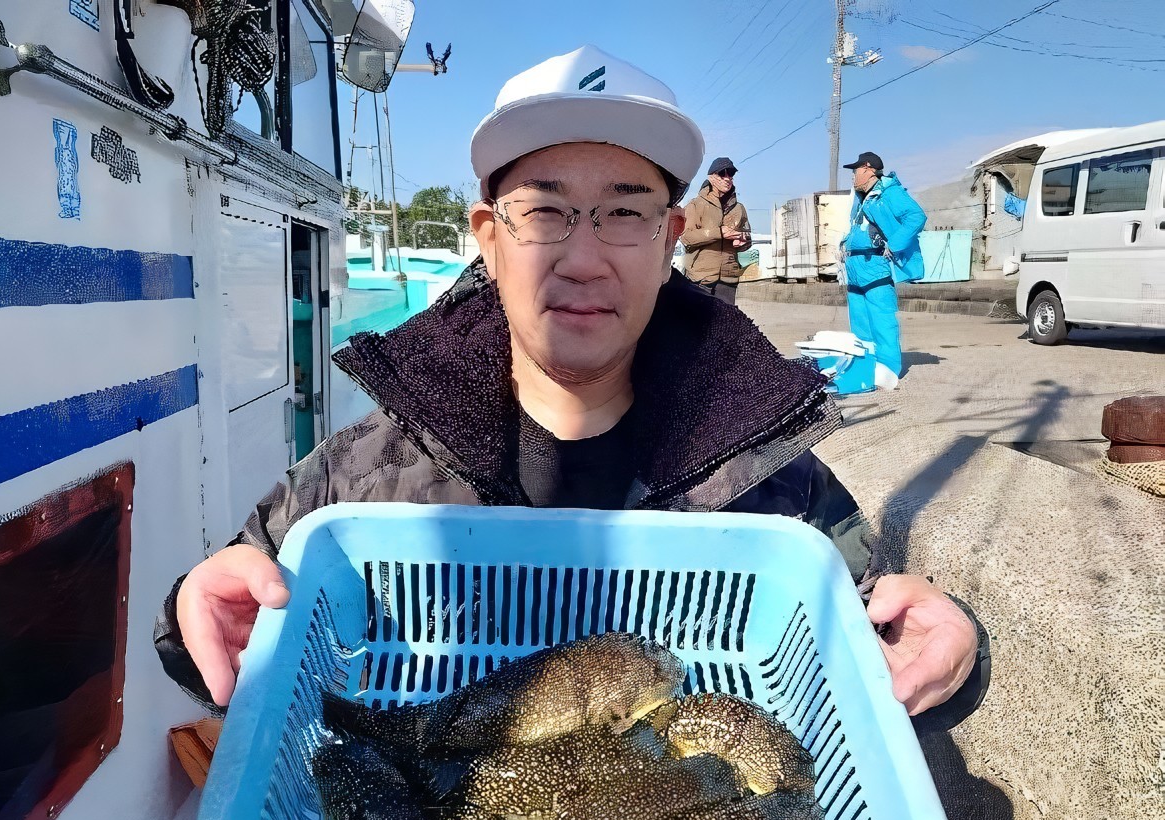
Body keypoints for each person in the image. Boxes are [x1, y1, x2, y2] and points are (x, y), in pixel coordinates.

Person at [155, 46, 985, 729]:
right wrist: (196, 620)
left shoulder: (773, 481)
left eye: (626, 213)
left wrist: (953, 654)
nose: (585, 259)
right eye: (545, 212)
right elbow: (231, 611)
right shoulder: (361, 477)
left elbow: (874, 636)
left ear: (670, 239)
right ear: (488, 237)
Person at [840, 151, 927, 390]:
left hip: (875, 266)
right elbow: (856, 228)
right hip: (855, 268)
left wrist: (896, 244)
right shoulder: (862, 198)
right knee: (860, 323)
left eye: (855, 170)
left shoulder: (890, 192)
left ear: (868, 169)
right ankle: (866, 367)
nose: (853, 176)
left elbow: (916, 217)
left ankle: (888, 370)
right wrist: (843, 245)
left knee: (882, 320)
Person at [680, 156, 752, 304]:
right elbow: (686, 237)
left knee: (725, 324)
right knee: (699, 324)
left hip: (728, 278)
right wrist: (719, 232)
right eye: (722, 173)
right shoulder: (695, 205)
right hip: (700, 278)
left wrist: (743, 242)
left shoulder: (739, 208)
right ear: (711, 177)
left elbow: (748, 238)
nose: (727, 178)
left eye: (731, 174)